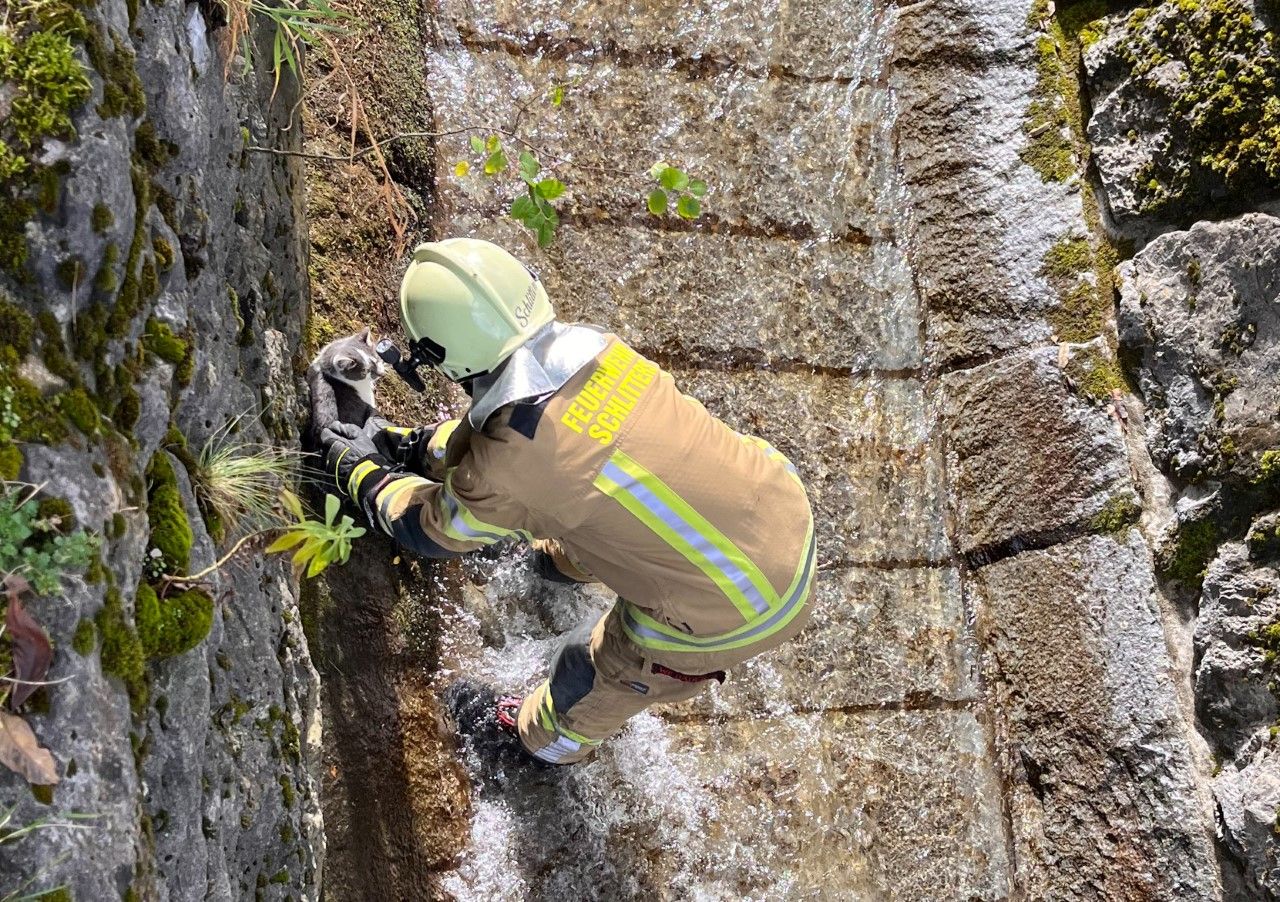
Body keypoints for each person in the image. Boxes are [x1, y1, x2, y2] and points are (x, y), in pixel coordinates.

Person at [320, 238, 815, 765]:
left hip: (736, 615)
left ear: (443, 357)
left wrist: (360, 473)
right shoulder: (600, 349)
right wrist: (416, 447)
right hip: (780, 514)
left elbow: (432, 528)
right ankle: (560, 562)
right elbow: (507, 431)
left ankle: (543, 746)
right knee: (609, 501)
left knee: (590, 668)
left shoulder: (513, 466)